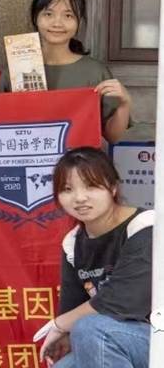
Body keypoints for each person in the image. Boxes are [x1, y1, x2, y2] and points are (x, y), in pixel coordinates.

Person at [36, 147, 153, 367]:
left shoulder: (146, 226)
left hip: (155, 337)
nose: (80, 198)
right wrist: (65, 335)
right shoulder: (72, 243)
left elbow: (121, 301)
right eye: (67, 189)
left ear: (113, 187)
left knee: (90, 328)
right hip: (114, 338)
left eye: (91, 185)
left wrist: (60, 325)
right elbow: (73, 308)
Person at [0, 0, 131, 143]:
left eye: (68, 16)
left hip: (78, 159)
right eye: (48, 14)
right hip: (27, 156)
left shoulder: (95, 71)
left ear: (79, 22)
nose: (57, 23)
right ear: (35, 18)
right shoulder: (15, 69)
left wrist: (125, 103)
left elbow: (113, 136)